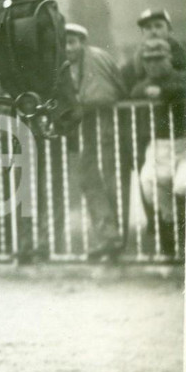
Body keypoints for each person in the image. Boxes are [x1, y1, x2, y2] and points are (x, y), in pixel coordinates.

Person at [64, 22, 127, 259]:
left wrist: (78, 103)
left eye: (72, 42)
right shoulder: (67, 65)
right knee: (91, 180)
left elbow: (110, 92)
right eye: (64, 43)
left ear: (82, 42)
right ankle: (109, 237)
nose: (68, 48)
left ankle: (113, 238)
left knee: (108, 181)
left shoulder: (96, 59)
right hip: (87, 131)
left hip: (104, 128)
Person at [129, 38, 186, 254]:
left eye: (158, 59)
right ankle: (170, 245)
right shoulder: (144, 84)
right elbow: (135, 92)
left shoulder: (182, 77)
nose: (153, 64)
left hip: (185, 145)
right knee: (149, 185)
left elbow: (183, 88)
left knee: (183, 186)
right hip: (158, 147)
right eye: (148, 60)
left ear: (169, 58)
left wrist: (163, 92)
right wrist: (152, 89)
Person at [121, 8, 186, 91]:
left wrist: (163, 90)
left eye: (158, 26)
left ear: (169, 29)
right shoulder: (136, 57)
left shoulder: (183, 53)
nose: (153, 31)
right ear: (143, 32)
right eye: (148, 27)